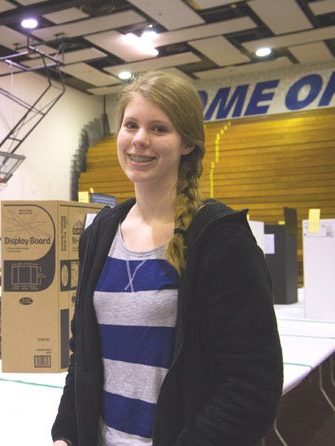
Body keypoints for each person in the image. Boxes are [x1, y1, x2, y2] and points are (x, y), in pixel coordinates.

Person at [51, 71, 283, 446]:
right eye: (131, 125)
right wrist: (67, 434)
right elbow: (85, 358)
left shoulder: (220, 238)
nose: (140, 139)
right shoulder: (100, 233)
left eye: (159, 128)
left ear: (187, 144)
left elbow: (252, 385)